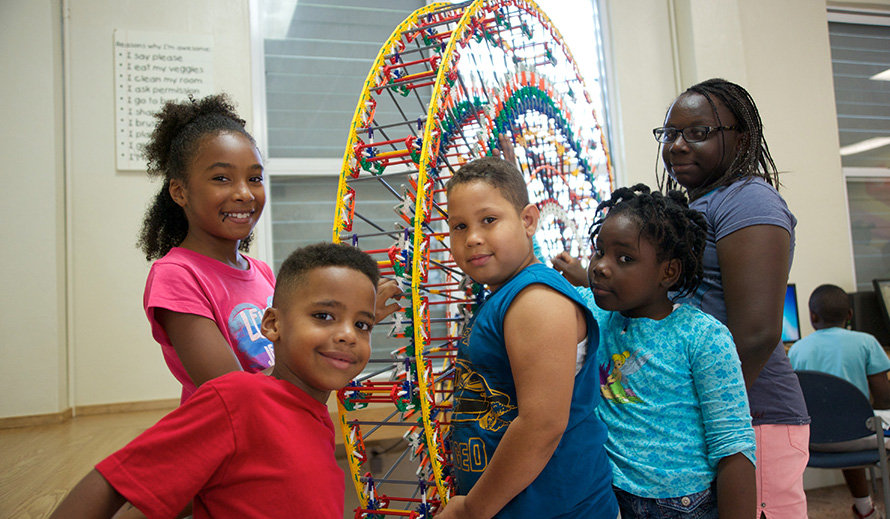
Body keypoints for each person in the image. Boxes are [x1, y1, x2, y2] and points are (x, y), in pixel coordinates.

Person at [49, 242, 379, 519]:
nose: (348, 335)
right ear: (272, 325)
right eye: (324, 316)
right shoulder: (239, 399)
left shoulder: (317, 418)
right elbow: (114, 483)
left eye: (362, 324)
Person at [137, 94, 401, 404]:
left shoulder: (259, 271)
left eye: (255, 178)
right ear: (179, 191)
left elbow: (295, 353)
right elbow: (233, 395)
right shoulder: (176, 276)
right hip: (236, 444)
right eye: (221, 178)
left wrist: (349, 319)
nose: (244, 193)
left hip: (287, 424)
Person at [436, 156, 618, 519]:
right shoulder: (506, 294)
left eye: (489, 220)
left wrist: (472, 510)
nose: (472, 238)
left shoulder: (535, 299)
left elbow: (543, 424)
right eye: (458, 226)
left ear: (528, 220)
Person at [587, 184, 755, 518]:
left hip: (683, 507)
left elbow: (733, 446)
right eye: (598, 251)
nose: (601, 266)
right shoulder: (592, 313)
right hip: (607, 496)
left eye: (624, 258)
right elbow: (539, 275)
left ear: (669, 272)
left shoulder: (702, 336)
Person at [789, 284, 890, 519]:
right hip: (858, 437)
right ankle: (868, 508)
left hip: (815, 440)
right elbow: (884, 398)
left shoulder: (796, 350)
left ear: (812, 317)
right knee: (857, 425)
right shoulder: (866, 342)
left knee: (842, 425)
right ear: (850, 316)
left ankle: (865, 509)